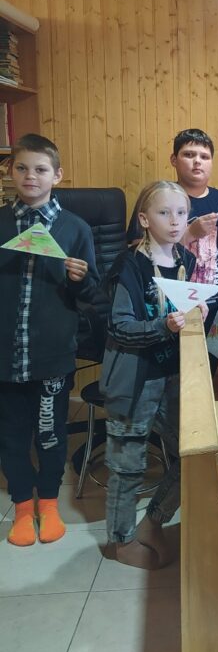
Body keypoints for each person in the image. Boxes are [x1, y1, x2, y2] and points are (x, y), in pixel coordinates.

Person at [101, 180, 206, 569]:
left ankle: (153, 521)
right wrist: (165, 325)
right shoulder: (129, 265)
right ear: (145, 219)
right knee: (127, 465)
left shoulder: (185, 260)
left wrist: (196, 313)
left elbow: (182, 313)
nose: (175, 221)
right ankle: (121, 542)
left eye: (181, 213)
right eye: (164, 213)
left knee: (193, 455)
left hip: (174, 376)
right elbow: (119, 327)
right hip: (134, 381)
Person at [0, 133, 99, 546]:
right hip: (6, 355)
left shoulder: (75, 229)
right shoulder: (2, 222)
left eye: (40, 169)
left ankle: (48, 502)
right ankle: (23, 505)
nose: (31, 176)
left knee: (50, 432)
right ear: (10, 171)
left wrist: (80, 279)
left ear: (57, 175)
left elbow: (92, 294)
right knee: (10, 434)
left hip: (52, 355)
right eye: (22, 168)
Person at [127, 129, 218, 332]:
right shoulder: (157, 198)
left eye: (204, 157)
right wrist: (190, 234)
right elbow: (138, 253)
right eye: (189, 155)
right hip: (168, 309)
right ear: (174, 160)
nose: (197, 161)